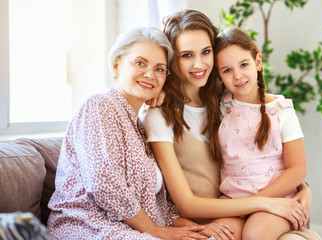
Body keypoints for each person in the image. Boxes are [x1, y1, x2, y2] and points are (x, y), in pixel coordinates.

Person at [144, 9, 317, 240]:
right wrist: (161, 89)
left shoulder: (223, 99)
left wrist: (304, 190)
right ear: (172, 59)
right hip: (224, 211)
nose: (198, 64)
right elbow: (186, 204)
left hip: (262, 206)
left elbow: (278, 158)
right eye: (186, 55)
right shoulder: (162, 115)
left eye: (205, 52)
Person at [47, 26, 225, 240]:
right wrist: (155, 231)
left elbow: (155, 206)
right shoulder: (99, 106)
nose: (150, 74)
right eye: (140, 63)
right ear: (116, 64)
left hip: (130, 230)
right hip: (86, 226)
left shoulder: (141, 124)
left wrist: (200, 230)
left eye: (159, 69)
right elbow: (104, 185)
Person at [212, 26, 313, 240]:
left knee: (255, 234)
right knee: (218, 235)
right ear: (219, 75)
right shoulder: (222, 107)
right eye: (227, 70)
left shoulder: (281, 111)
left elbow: (297, 169)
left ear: (258, 62)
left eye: (244, 64)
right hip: (233, 202)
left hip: (275, 201)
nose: (237, 75)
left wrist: (257, 202)